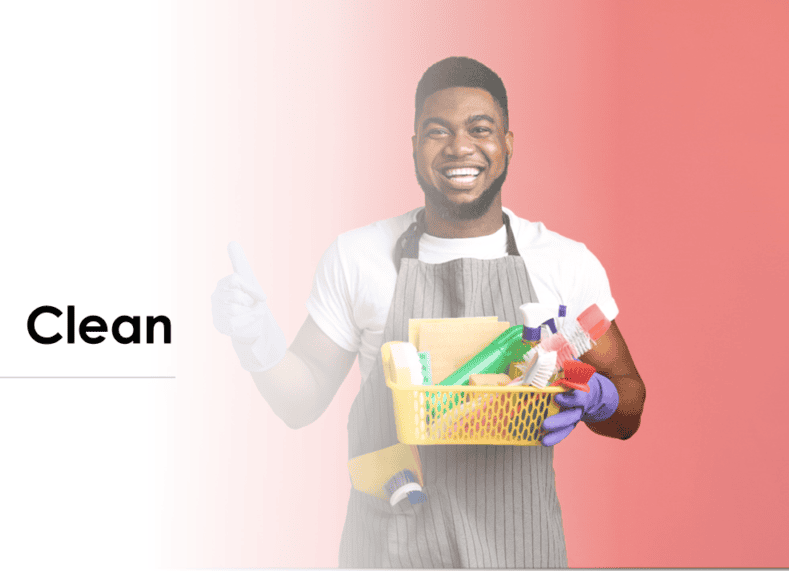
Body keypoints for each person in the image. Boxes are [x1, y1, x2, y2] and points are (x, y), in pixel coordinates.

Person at [211, 56, 646, 568]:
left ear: (507, 142)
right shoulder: (358, 257)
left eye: (480, 129)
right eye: (437, 131)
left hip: (519, 551)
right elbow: (300, 402)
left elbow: (629, 410)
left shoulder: (565, 265)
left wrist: (599, 399)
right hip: (389, 550)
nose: (460, 147)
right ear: (414, 147)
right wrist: (257, 341)